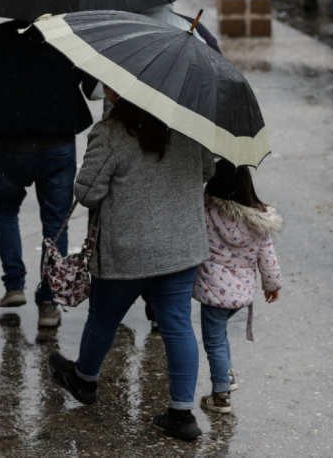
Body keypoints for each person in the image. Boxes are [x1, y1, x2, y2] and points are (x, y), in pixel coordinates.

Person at [48, 86, 215, 441]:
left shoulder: (110, 133)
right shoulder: (187, 125)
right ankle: (182, 415)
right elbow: (205, 170)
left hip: (126, 250)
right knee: (178, 325)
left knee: (104, 317)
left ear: (119, 88)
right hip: (180, 248)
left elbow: (87, 192)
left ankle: (84, 379)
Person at [0, 19, 98, 328]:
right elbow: (92, 88)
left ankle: (14, 285)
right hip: (58, 146)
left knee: (6, 211)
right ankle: (49, 303)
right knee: (55, 225)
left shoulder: (2, 37)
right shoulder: (67, 34)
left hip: (13, 145)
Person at [194, 160, 282, 414]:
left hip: (213, 293)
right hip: (242, 294)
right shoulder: (258, 220)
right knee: (220, 338)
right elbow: (267, 257)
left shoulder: (207, 213)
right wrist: (272, 285)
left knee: (214, 342)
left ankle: (221, 396)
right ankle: (228, 377)